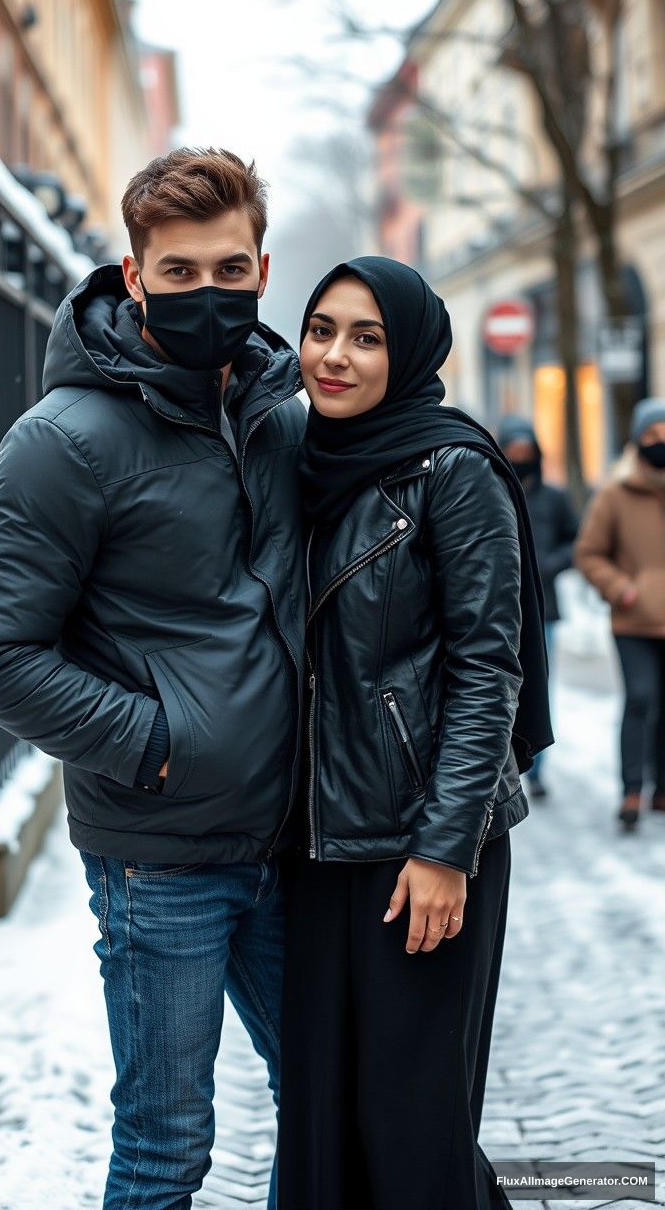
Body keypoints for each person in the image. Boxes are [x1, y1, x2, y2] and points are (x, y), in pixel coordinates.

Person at [0, 149, 307, 1210]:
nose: (211, 293)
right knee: (168, 1146)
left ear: (263, 267)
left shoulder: (284, 419)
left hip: (298, 839)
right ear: (134, 273)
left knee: (332, 1104)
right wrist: (162, 740)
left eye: (231, 269)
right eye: (182, 271)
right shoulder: (63, 441)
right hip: (163, 861)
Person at [277, 258, 553, 1210]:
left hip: (420, 844)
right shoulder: (299, 463)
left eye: (367, 336)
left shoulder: (454, 469)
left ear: (413, 349)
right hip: (316, 847)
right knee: (324, 1128)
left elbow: (489, 671)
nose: (334, 356)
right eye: (320, 330)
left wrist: (446, 848)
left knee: (414, 1131)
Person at [575, 397, 665, 830]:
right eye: (652, 435)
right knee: (641, 698)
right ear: (637, 440)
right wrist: (620, 588)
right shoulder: (615, 493)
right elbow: (589, 553)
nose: (660, 442)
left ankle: (661, 789)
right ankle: (631, 789)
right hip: (634, 620)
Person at [498, 414, 578, 798]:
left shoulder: (556, 498)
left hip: (544, 608)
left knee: (539, 686)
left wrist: (549, 564)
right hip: (499, 607)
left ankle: (538, 766)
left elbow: (575, 541)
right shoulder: (494, 488)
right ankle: (504, 760)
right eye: (512, 451)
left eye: (525, 451)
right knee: (500, 686)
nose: (520, 457)